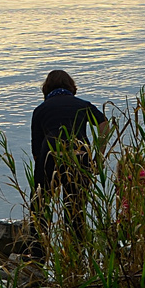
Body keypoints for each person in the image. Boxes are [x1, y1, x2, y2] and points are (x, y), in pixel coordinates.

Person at [30, 69, 106, 234]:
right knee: (76, 210)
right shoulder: (82, 105)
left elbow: (36, 151)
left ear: (46, 89)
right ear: (71, 87)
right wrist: (98, 155)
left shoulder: (40, 110)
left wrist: (45, 173)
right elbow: (104, 124)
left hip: (50, 156)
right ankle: (76, 252)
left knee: (40, 206)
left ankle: (38, 249)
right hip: (80, 156)